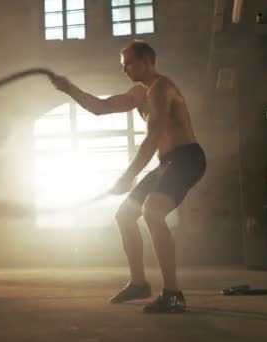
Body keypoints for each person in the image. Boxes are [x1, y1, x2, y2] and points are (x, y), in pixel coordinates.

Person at [50, 40, 206, 313]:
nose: (125, 70)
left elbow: (153, 137)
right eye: (123, 66)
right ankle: (139, 283)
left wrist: (128, 176)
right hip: (167, 163)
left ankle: (173, 294)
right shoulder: (138, 92)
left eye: (129, 63)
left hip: (187, 158)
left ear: (147, 61)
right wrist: (69, 88)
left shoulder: (162, 88)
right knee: (124, 215)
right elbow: (99, 107)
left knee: (153, 212)